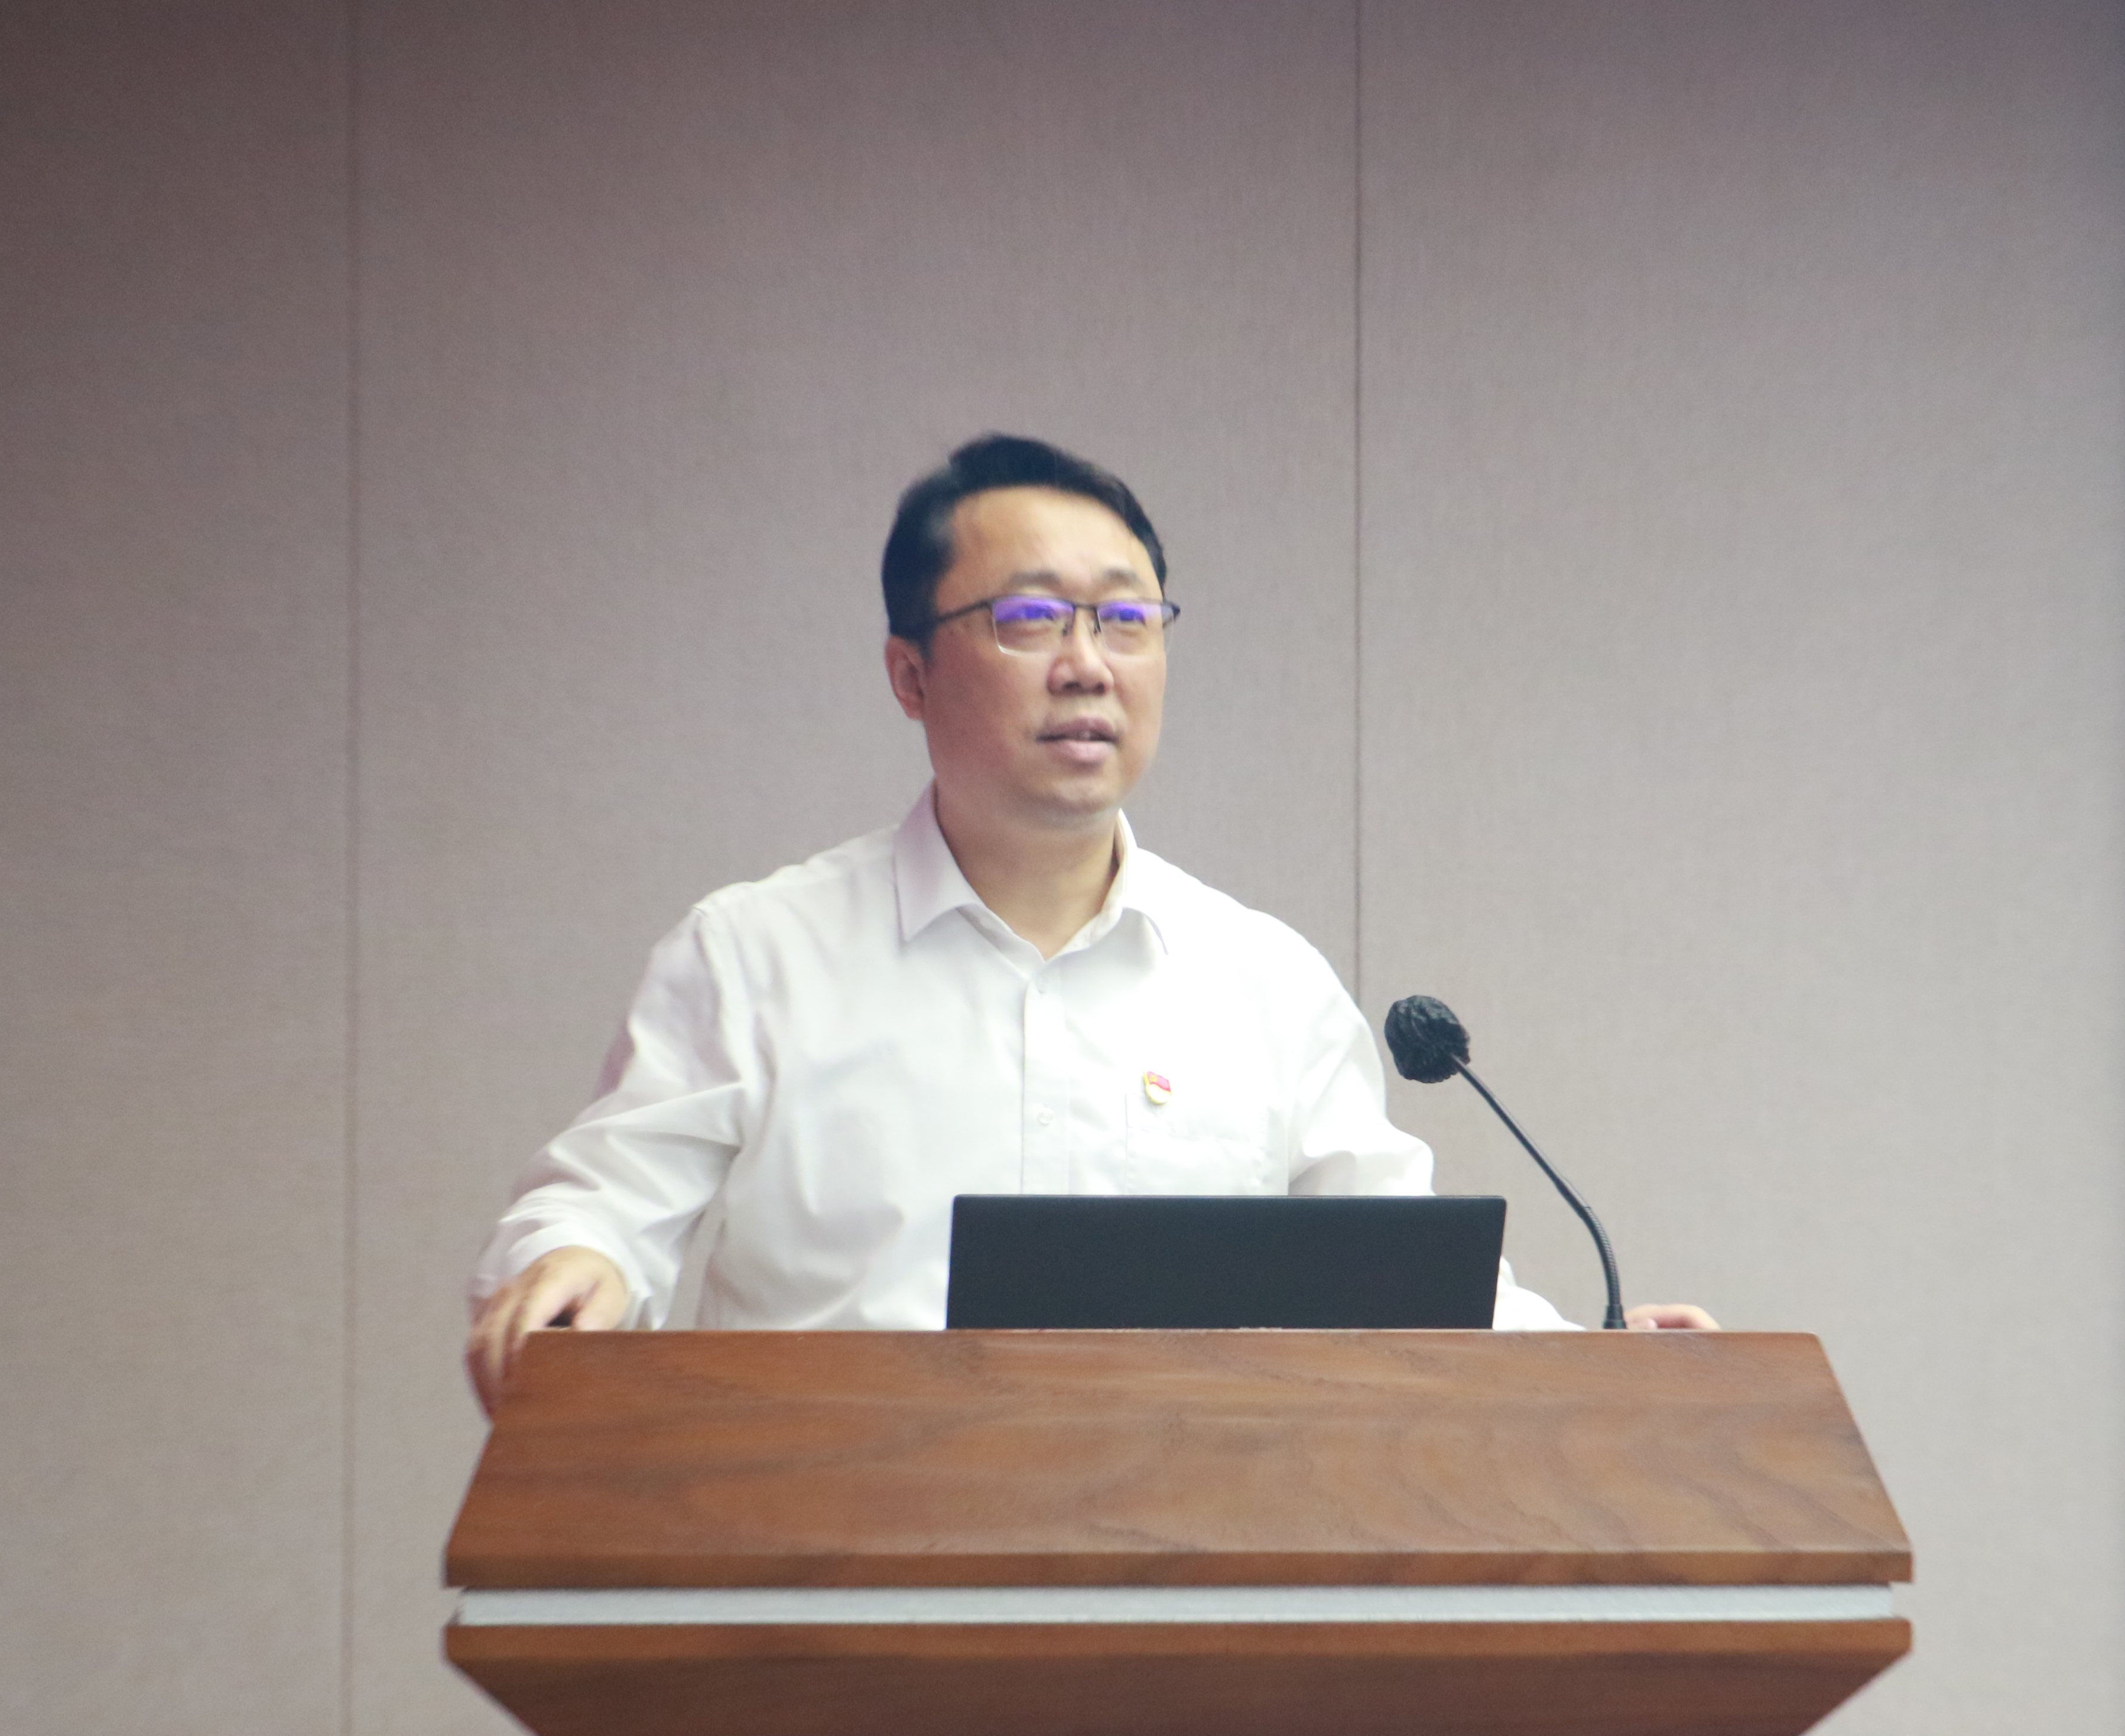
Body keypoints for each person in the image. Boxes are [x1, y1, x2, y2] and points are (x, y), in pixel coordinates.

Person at [467, 432, 1713, 1406]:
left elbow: (1409, 1278)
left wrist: (1596, 1364)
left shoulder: (1262, 985)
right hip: (826, 1599)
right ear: (911, 673)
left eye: (1126, 618)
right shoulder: (755, 959)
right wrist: (573, 1265)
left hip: (1189, 1602)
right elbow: (602, 1209)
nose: (1088, 663)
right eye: (1029, 618)